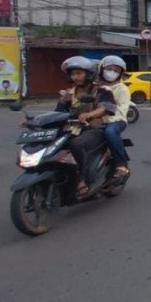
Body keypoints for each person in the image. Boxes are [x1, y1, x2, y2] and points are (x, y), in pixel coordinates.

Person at [56, 56, 116, 198]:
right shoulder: (68, 94)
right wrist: (34, 121)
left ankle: (80, 179)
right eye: (73, 74)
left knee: (75, 145)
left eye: (79, 73)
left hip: (94, 129)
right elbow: (57, 112)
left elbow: (107, 107)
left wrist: (89, 114)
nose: (75, 77)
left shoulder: (101, 90)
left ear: (88, 74)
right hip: (72, 128)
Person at [98, 56, 131, 179]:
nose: (112, 72)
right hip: (95, 120)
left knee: (110, 132)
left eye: (116, 70)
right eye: (109, 69)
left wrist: (103, 119)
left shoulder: (122, 89)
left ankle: (121, 165)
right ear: (101, 69)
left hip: (116, 120)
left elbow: (122, 111)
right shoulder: (95, 86)